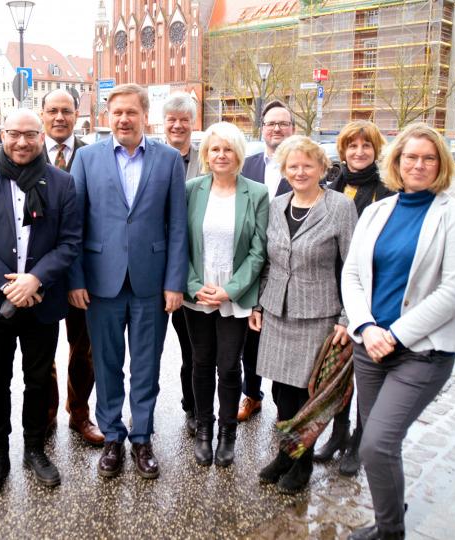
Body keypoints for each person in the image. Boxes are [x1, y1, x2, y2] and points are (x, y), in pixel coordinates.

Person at [342, 123, 455, 540]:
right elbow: (353, 275)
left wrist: (393, 334)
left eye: (428, 158)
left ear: (440, 164)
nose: (418, 164)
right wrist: (363, 325)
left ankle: (390, 532)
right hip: (370, 347)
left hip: (422, 352)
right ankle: (389, 514)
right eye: (410, 157)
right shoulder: (378, 210)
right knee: (381, 447)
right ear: (396, 161)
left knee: (375, 444)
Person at [68, 83, 188, 480]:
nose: (123, 119)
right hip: (101, 282)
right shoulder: (86, 159)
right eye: (116, 112)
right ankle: (113, 437)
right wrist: (76, 278)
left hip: (151, 283)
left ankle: (141, 438)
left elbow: (176, 227)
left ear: (144, 115)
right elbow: (75, 224)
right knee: (106, 363)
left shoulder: (169, 160)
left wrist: (174, 283)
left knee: (146, 365)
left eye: (131, 112)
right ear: (107, 115)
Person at [0, 109, 80, 494]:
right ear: (3, 134)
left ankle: (34, 449)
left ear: (41, 136)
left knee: (37, 379)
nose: (22, 141)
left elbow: (70, 242)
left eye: (30, 134)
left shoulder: (61, 183)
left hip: (42, 300)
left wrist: (35, 279)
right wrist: (8, 285)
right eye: (14, 134)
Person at [249, 135, 357, 494]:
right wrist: (259, 304)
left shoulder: (339, 207)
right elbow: (267, 261)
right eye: (292, 166)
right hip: (278, 311)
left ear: (322, 168)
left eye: (307, 165)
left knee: (304, 394)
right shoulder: (277, 204)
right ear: (284, 169)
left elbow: (353, 267)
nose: (299, 171)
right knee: (281, 392)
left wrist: (346, 318)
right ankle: (286, 455)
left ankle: (303, 463)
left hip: (318, 314)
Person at [184, 122, 268, 467]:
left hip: (235, 295)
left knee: (230, 366)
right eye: (215, 149)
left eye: (228, 149)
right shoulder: (191, 189)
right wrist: (192, 285)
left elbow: (259, 251)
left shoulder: (257, 193)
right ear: (206, 154)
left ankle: (227, 433)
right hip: (198, 293)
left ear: (239, 155)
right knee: (201, 363)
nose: (221, 155)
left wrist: (230, 290)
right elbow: (180, 243)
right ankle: (204, 430)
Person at [314, 120, 392, 476]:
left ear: (376, 150)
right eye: (352, 146)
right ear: (342, 151)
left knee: (365, 371)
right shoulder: (332, 185)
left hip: (370, 291)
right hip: (332, 289)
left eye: (366, 146)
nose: (358, 152)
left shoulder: (387, 189)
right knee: (337, 370)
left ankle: (359, 441)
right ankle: (338, 433)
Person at [41, 89, 103, 446]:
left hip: (84, 267)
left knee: (83, 347)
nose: (60, 117)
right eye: (53, 110)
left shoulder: (93, 156)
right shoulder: (29, 153)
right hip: (43, 271)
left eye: (67, 110)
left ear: (77, 113)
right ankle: (47, 412)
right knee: (43, 347)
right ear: (43, 113)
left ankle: (79, 412)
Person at [237, 100, 294, 422]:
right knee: (251, 337)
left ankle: (285, 403)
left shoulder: (301, 164)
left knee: (285, 335)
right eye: (271, 124)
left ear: (292, 129)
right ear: (263, 129)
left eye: (283, 124)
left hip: (287, 265)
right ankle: (251, 394)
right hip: (253, 262)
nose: (276, 129)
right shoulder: (247, 165)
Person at [163, 92, 201, 436]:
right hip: (154, 271)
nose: (177, 125)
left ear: (193, 122)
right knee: (144, 352)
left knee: (193, 350)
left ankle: (193, 409)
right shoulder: (151, 158)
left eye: (183, 119)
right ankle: (140, 412)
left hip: (194, 274)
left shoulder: (207, 159)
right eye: (171, 119)